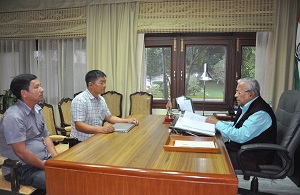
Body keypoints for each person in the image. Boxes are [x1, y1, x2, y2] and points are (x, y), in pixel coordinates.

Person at [0, 73, 57, 191]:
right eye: (36, 87)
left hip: (43, 161)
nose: (42, 90)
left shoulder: (37, 110)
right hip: (21, 169)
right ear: (24, 93)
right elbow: (21, 152)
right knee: (60, 181)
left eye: (40, 86)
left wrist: (56, 160)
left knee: (74, 173)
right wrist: (46, 166)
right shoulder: (14, 117)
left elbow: (46, 137)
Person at [205, 78, 277, 171]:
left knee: (212, 160)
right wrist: (218, 124)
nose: (235, 95)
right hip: (241, 150)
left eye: (239, 93)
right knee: (211, 151)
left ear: (251, 94)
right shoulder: (246, 106)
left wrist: (217, 124)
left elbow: (240, 136)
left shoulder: (261, 114)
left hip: (253, 156)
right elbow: (237, 125)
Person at [70, 70, 139, 142]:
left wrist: (127, 121)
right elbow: (79, 125)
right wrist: (101, 129)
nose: (104, 85)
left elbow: (109, 117)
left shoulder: (101, 99)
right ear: (91, 85)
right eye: (101, 83)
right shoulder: (80, 100)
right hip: (80, 142)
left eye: (105, 82)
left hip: (97, 138)